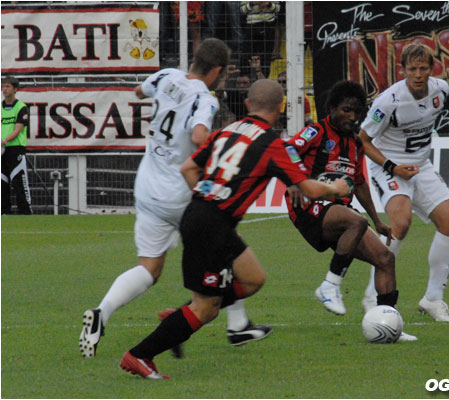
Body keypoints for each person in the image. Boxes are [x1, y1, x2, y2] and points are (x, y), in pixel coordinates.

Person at [119, 79, 350, 379]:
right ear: (280, 108)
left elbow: (188, 168)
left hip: (204, 215)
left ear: (248, 105)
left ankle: (179, 318)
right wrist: (336, 187)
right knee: (207, 309)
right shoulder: (271, 143)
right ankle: (139, 355)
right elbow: (308, 188)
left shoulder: (225, 132)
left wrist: (209, 200)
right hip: (211, 223)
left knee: (253, 279)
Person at [79, 39, 269, 359]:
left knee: (149, 268)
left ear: (195, 60)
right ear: (219, 71)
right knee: (224, 238)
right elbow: (198, 136)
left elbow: (139, 92)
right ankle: (237, 325)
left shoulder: (166, 76)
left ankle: (101, 312)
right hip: (179, 194)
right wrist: (216, 149)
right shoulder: (205, 100)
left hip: (147, 187)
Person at [284, 80, 416, 341]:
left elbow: (359, 183)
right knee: (356, 222)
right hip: (308, 205)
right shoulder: (317, 131)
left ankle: (388, 322)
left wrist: (378, 221)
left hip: (338, 211)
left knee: (385, 258)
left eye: (357, 112)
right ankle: (330, 285)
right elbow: (287, 149)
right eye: (346, 110)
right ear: (332, 108)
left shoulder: (355, 143)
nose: (352, 117)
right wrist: (294, 181)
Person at [359, 43, 449, 322]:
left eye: (423, 68)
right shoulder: (388, 102)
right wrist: (393, 167)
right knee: (400, 224)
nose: (418, 74)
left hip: (421, 165)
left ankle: (433, 299)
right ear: (402, 70)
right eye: (412, 69)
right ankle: (372, 295)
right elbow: (363, 140)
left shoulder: (441, 90)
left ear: (432, 69)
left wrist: (416, 162)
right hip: (388, 165)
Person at [1, 76, 32, 215]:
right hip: (1, 150)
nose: (4, 89)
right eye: (3, 86)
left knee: (19, 182)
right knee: (2, 182)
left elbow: (18, 129)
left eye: (7, 86)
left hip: (16, 149)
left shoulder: (21, 107)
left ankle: (25, 213)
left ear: (15, 89)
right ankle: (4, 212)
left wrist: (4, 140)